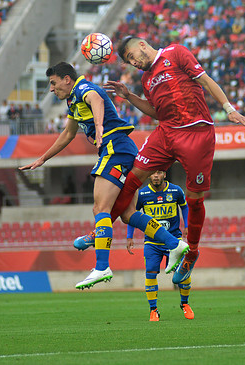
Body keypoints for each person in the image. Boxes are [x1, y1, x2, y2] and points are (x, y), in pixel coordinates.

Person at [76, 37, 245, 285]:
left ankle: (191, 252)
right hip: (166, 133)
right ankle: (100, 233)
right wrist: (129, 97)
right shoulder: (147, 80)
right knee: (131, 180)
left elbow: (205, 80)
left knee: (195, 199)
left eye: (132, 56)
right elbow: (156, 111)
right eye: (128, 61)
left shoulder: (176, 53)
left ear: (143, 45)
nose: (133, 63)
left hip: (196, 132)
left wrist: (229, 108)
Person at [20, 62, 188, 290]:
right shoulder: (73, 101)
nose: (52, 89)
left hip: (114, 149)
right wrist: (43, 158)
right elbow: (68, 133)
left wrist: (99, 126)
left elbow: (97, 100)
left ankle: (102, 266)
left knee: (101, 209)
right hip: (122, 149)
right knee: (128, 214)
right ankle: (173, 244)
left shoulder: (83, 89)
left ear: (67, 79)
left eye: (53, 83)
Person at [126, 171, 194, 321]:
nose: (156, 176)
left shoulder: (176, 190)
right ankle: (153, 310)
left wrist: (187, 225)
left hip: (174, 241)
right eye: (153, 173)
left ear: (164, 174)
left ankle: (185, 304)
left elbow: (185, 207)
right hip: (152, 242)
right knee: (150, 274)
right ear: (149, 176)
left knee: (183, 272)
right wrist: (129, 236)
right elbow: (132, 214)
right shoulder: (142, 194)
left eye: (159, 172)